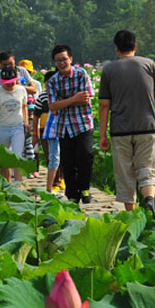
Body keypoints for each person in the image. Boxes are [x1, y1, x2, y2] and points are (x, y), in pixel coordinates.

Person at [97, 30, 155, 217]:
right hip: (147, 127)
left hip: (120, 130)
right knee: (147, 169)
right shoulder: (149, 65)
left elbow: (104, 105)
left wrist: (103, 134)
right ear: (135, 46)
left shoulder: (109, 70)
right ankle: (149, 198)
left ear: (116, 48)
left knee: (125, 174)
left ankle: (132, 215)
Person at [47, 44, 94, 204]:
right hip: (63, 126)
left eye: (64, 59)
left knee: (85, 155)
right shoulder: (53, 81)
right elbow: (52, 106)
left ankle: (85, 188)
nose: (62, 63)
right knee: (68, 162)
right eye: (58, 60)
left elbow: (85, 98)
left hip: (82, 123)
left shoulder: (81, 74)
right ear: (54, 62)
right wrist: (74, 99)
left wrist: (63, 102)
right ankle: (72, 195)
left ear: (71, 59)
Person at [0, 66, 28, 183]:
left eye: (12, 82)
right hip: (3, 127)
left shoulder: (21, 90)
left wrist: (26, 122)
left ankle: (18, 184)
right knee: (4, 158)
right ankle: (6, 183)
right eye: (7, 83)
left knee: (17, 156)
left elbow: (24, 107)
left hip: (18, 126)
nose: (10, 85)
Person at [34, 69, 63, 195]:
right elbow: (36, 115)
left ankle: (61, 179)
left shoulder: (62, 93)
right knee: (51, 157)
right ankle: (52, 185)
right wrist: (35, 133)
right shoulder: (44, 96)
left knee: (63, 157)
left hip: (64, 128)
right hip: (48, 129)